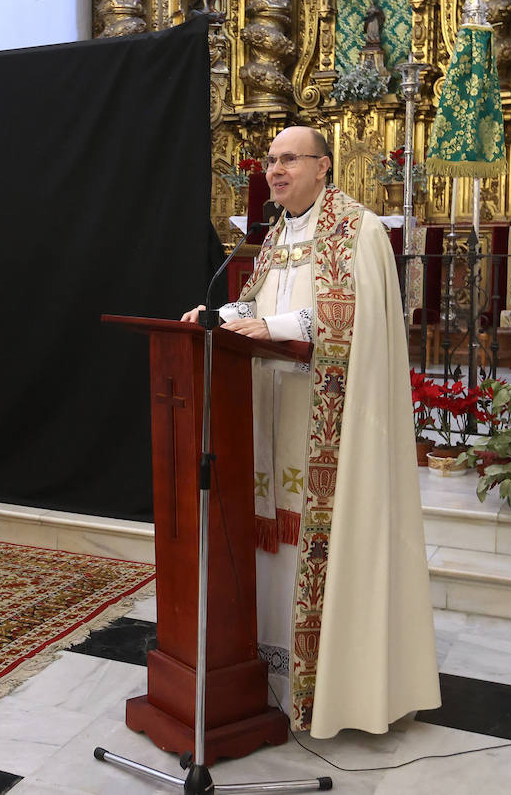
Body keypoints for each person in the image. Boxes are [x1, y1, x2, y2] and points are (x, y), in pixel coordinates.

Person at [181, 126, 441, 738]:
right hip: (271, 416)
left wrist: (269, 326)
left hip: (333, 425)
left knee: (319, 544)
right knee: (274, 548)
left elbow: (346, 319)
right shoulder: (275, 236)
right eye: (270, 160)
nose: (275, 170)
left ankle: (330, 688)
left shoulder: (359, 230)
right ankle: (271, 675)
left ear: (323, 167)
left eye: (289, 159)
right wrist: (217, 316)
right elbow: (257, 304)